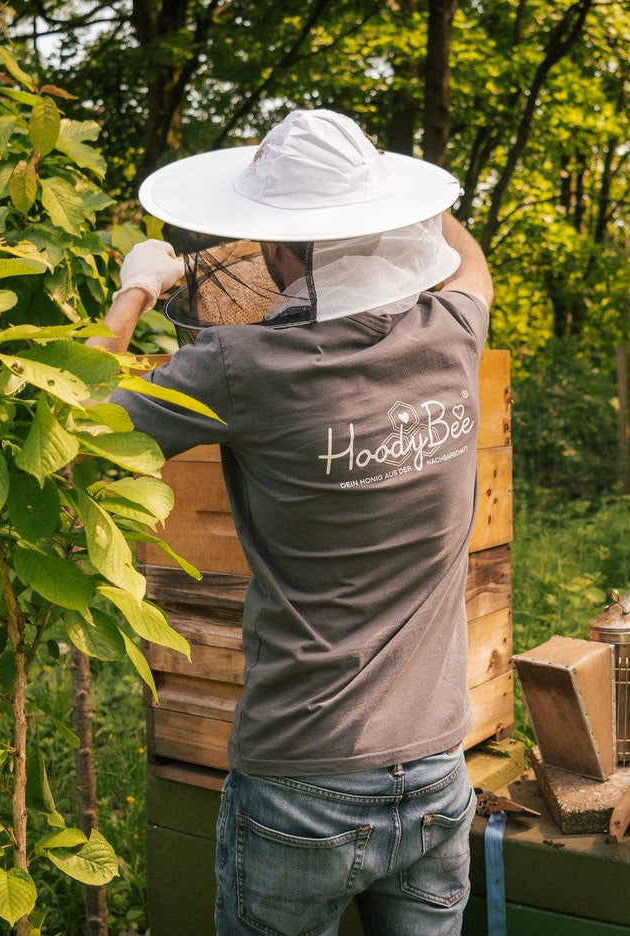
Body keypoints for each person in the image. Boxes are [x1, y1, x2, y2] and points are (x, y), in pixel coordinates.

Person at [90, 109, 493, 936]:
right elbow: (470, 261)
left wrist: (137, 283)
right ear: (380, 226)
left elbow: (69, 437)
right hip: (437, 770)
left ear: (275, 244)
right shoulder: (453, 334)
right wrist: (400, 191)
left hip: (300, 782)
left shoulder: (240, 367)